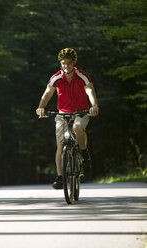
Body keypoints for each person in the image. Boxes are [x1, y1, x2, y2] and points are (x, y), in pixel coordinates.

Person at [36, 48, 99, 189]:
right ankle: (60, 177)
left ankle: (83, 151)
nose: (66, 66)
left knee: (77, 128)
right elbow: (47, 94)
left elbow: (90, 91)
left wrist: (94, 105)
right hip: (62, 114)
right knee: (61, 144)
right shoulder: (56, 78)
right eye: (63, 63)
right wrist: (41, 107)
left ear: (74, 62)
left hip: (81, 112)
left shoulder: (82, 75)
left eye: (69, 63)